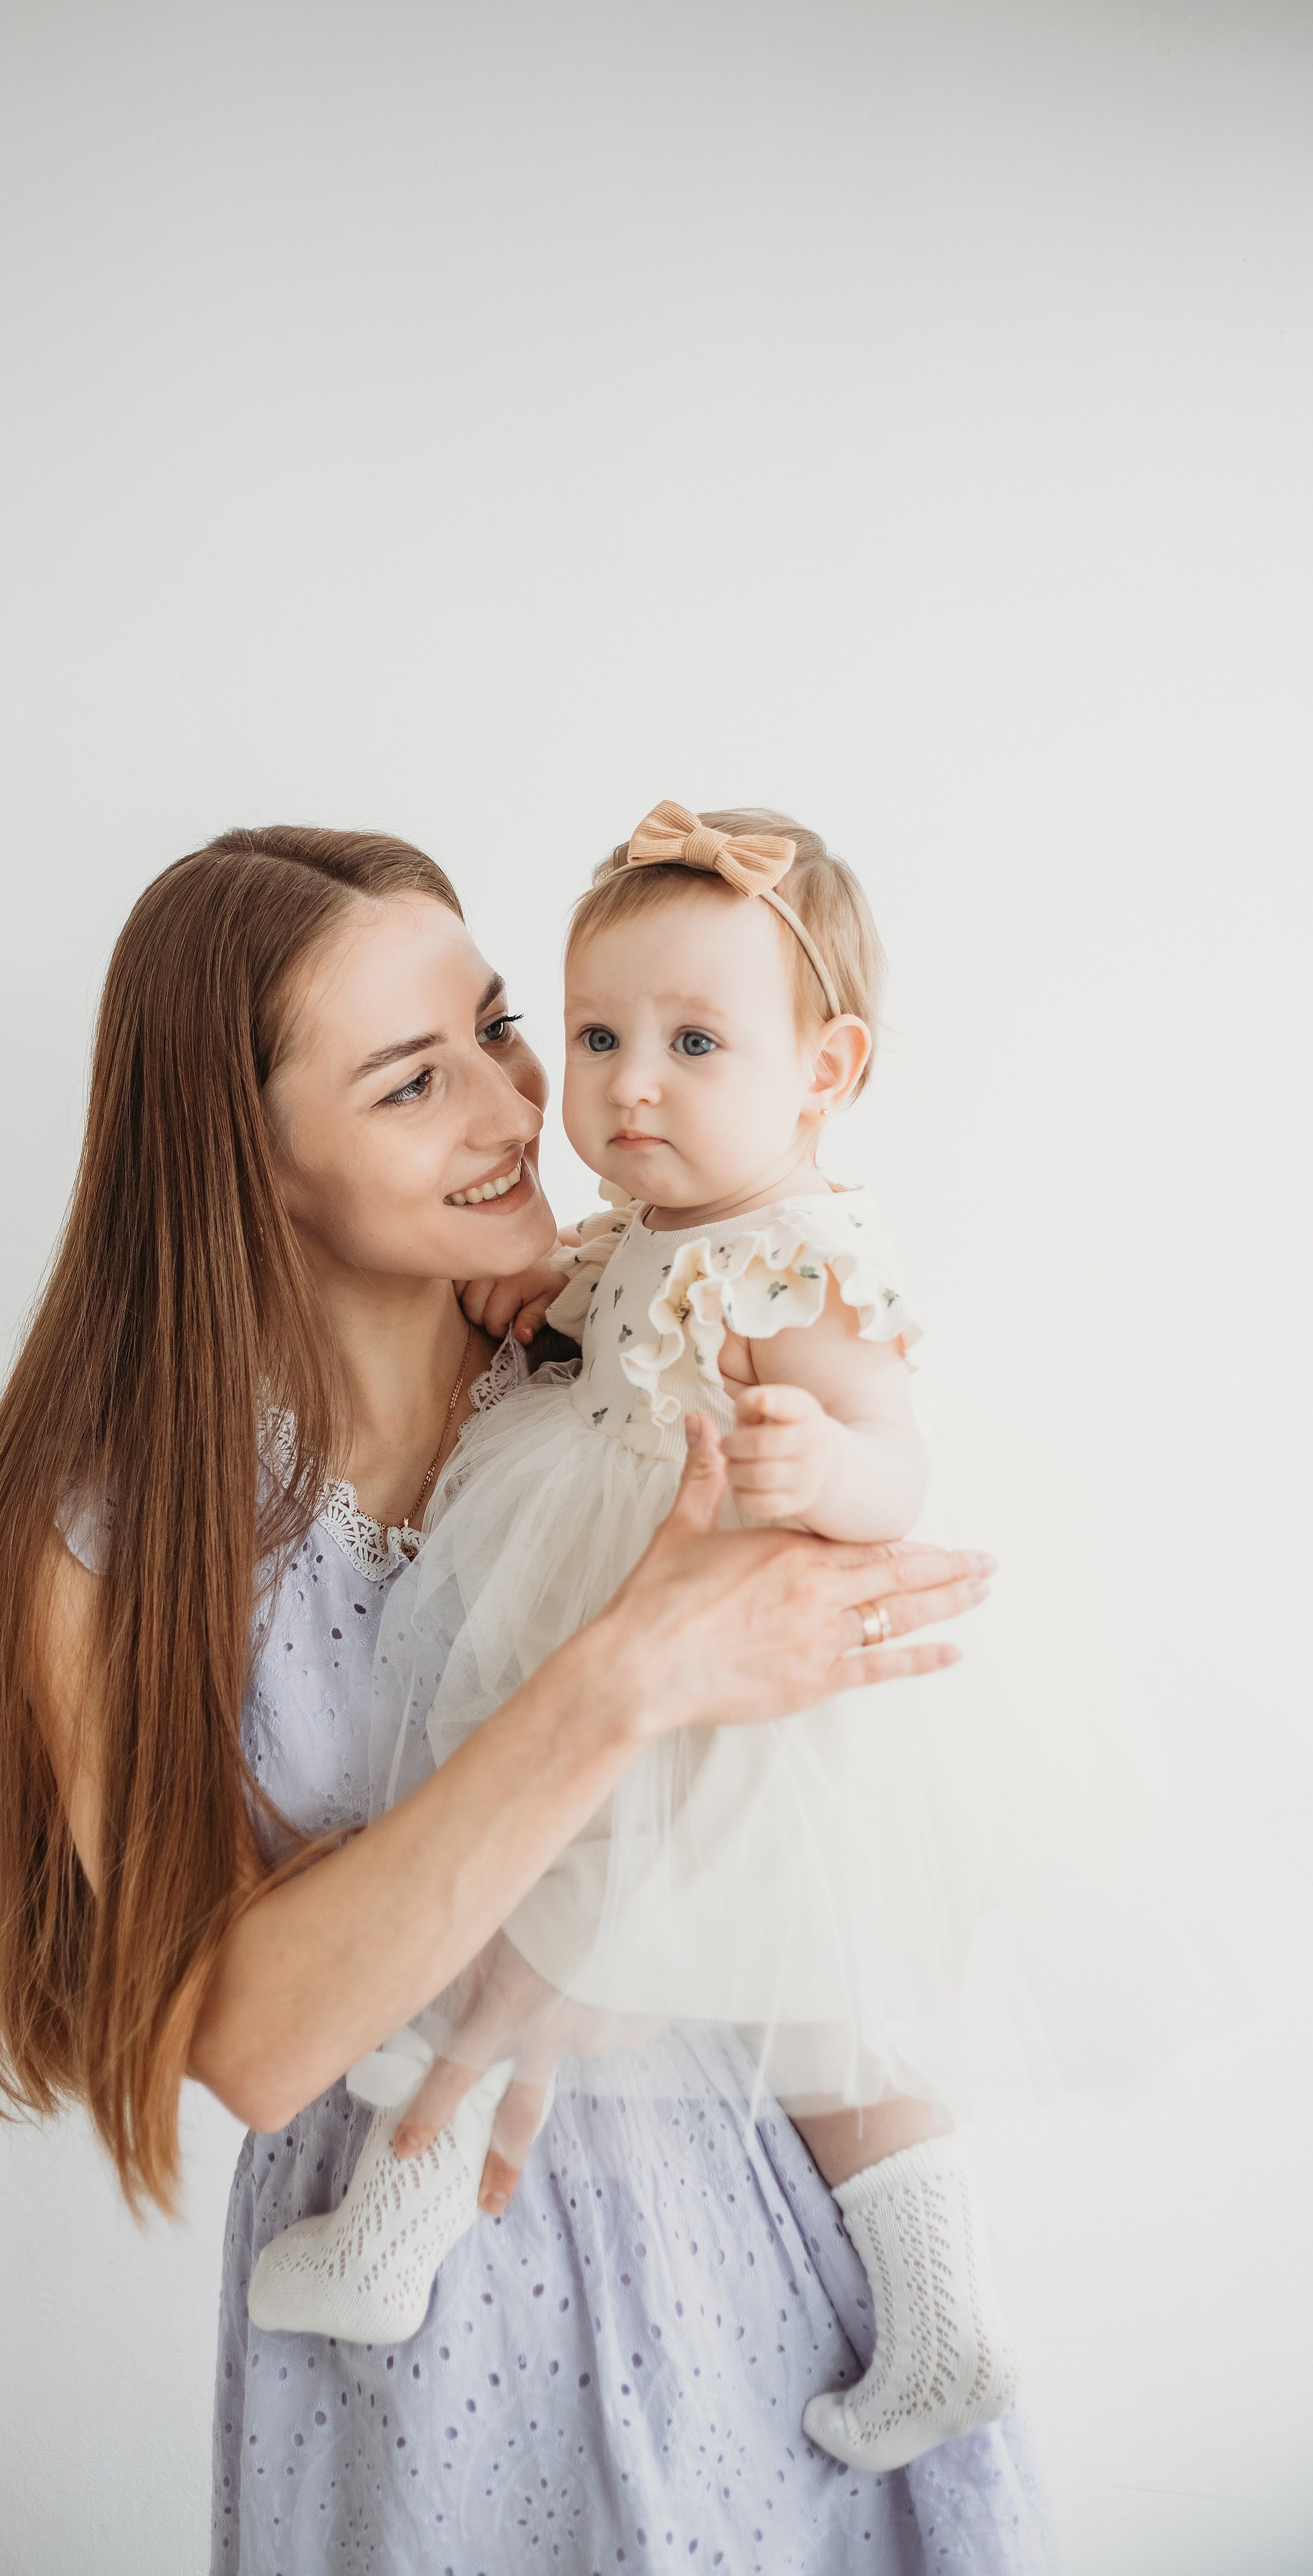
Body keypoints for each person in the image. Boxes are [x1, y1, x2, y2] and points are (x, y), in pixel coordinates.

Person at [0, 824, 1055, 2573]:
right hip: (420, 2316)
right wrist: (621, 1680)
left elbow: (835, 1735)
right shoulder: (109, 1538)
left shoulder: (625, 1367)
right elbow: (252, 2035)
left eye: (497, 1028)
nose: (520, 1106)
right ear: (251, 1159)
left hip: (737, 2236)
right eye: (413, 1083)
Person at [249, 803, 1041, 2475]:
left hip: (740, 1715)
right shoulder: (626, 1243)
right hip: (637, 1673)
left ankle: (404, 2235)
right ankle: (932, 2312)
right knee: (723, 2003)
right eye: (598, 1032)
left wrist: (825, 1467)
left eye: (691, 1043)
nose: (622, 1088)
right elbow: (598, 1340)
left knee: (637, 1993)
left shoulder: (809, 1260)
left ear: (823, 1072)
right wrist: (534, 1307)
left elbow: (898, 1457)